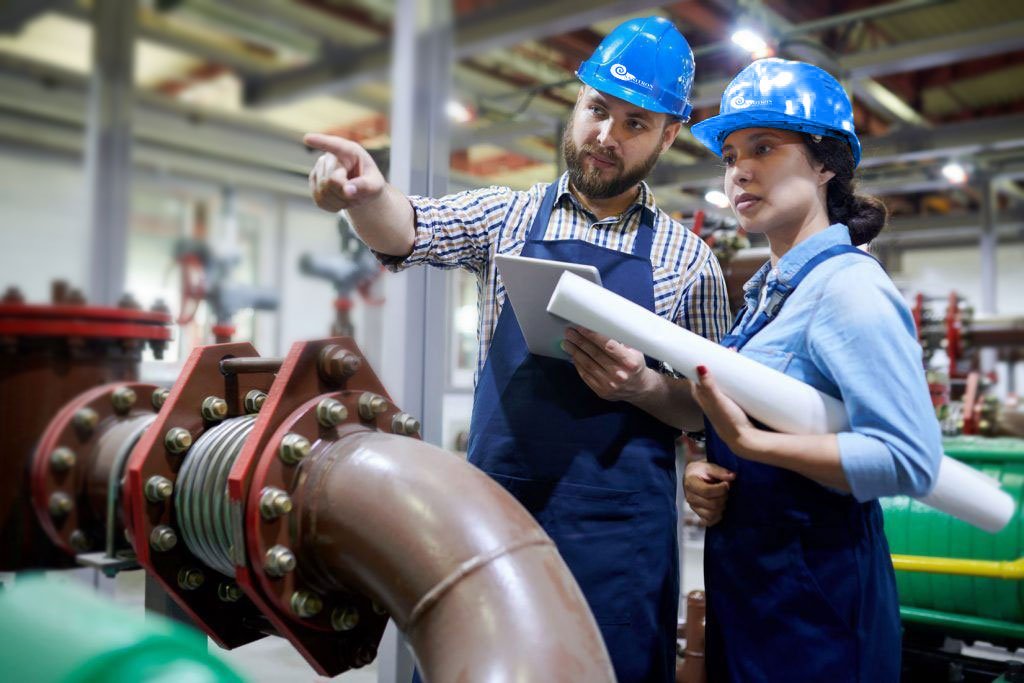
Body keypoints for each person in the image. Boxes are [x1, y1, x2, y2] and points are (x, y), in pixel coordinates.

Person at [306, 16, 730, 682]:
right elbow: (410, 229)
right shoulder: (508, 217)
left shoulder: (689, 260)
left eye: (635, 124)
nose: (606, 136)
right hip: (495, 520)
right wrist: (368, 195)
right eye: (598, 110)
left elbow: (711, 406)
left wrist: (644, 388)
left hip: (620, 544)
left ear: (669, 135)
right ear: (577, 101)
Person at [682, 58, 943, 681]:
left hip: (818, 611)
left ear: (826, 163)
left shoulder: (847, 288)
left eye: (763, 147)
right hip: (754, 597)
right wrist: (709, 475)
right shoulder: (767, 297)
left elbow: (910, 460)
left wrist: (754, 445)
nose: (738, 170)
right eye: (729, 155)